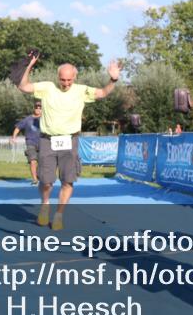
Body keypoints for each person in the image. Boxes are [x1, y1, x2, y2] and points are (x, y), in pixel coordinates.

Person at [18, 55, 121, 231]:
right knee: (46, 181)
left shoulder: (81, 90)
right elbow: (23, 86)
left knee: (67, 181)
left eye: (69, 80)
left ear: (75, 78)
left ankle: (59, 215)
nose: (65, 83)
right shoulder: (47, 88)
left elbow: (103, 93)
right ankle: (45, 204)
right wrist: (28, 67)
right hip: (47, 140)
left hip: (69, 140)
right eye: (62, 80)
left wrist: (113, 79)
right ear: (58, 77)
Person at [11, 101, 43, 185]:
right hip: (30, 142)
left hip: (43, 143)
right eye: (36, 107)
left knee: (42, 163)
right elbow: (18, 127)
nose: (38, 109)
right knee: (33, 161)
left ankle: (39, 176)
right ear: (34, 108)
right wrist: (13, 137)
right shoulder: (28, 119)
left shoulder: (45, 118)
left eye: (40, 108)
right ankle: (35, 179)